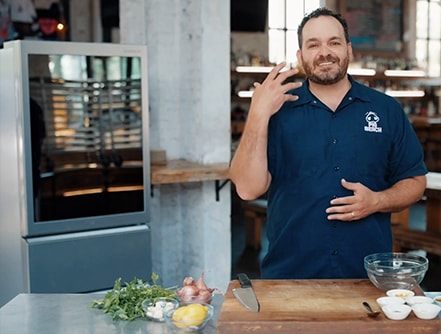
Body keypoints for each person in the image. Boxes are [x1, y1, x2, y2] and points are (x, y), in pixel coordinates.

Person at [229, 7, 427, 279]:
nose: (325, 52)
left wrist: (378, 201)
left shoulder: (386, 110)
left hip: (366, 277)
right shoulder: (277, 113)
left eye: (333, 42)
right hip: (289, 277)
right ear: (300, 56)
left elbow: (415, 183)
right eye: (313, 44)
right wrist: (257, 114)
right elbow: (247, 189)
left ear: (349, 50)